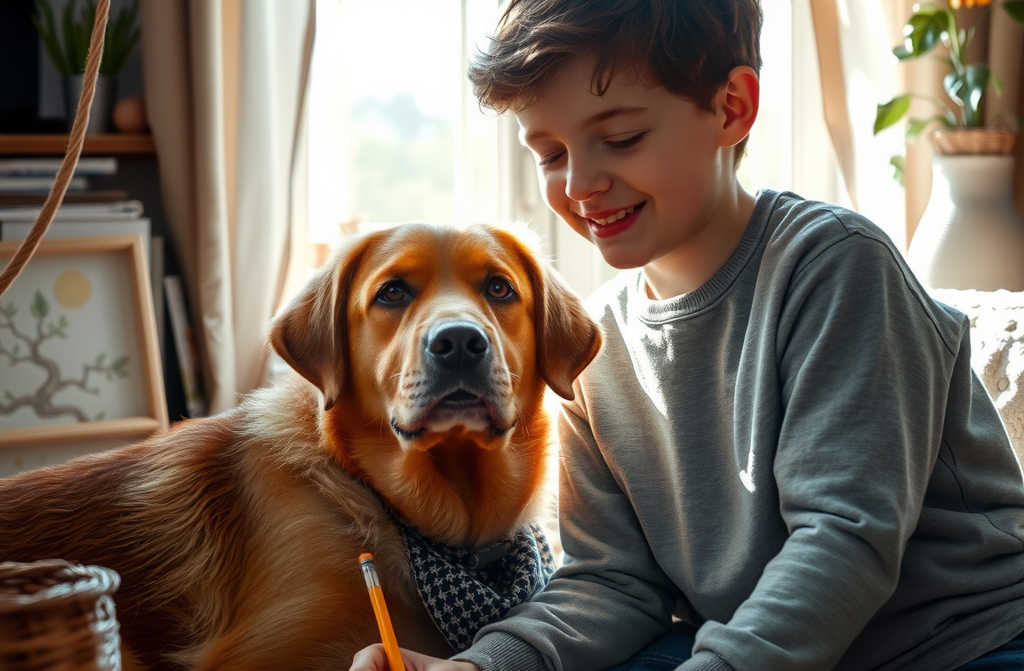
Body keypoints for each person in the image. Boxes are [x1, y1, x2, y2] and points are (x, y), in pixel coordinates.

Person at [350, 1, 1024, 669]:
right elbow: (612, 582)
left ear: (731, 108)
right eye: (550, 153)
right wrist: (479, 664)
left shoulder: (838, 266)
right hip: (746, 643)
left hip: (961, 641)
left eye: (620, 139)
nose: (581, 184)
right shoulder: (594, 345)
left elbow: (845, 540)